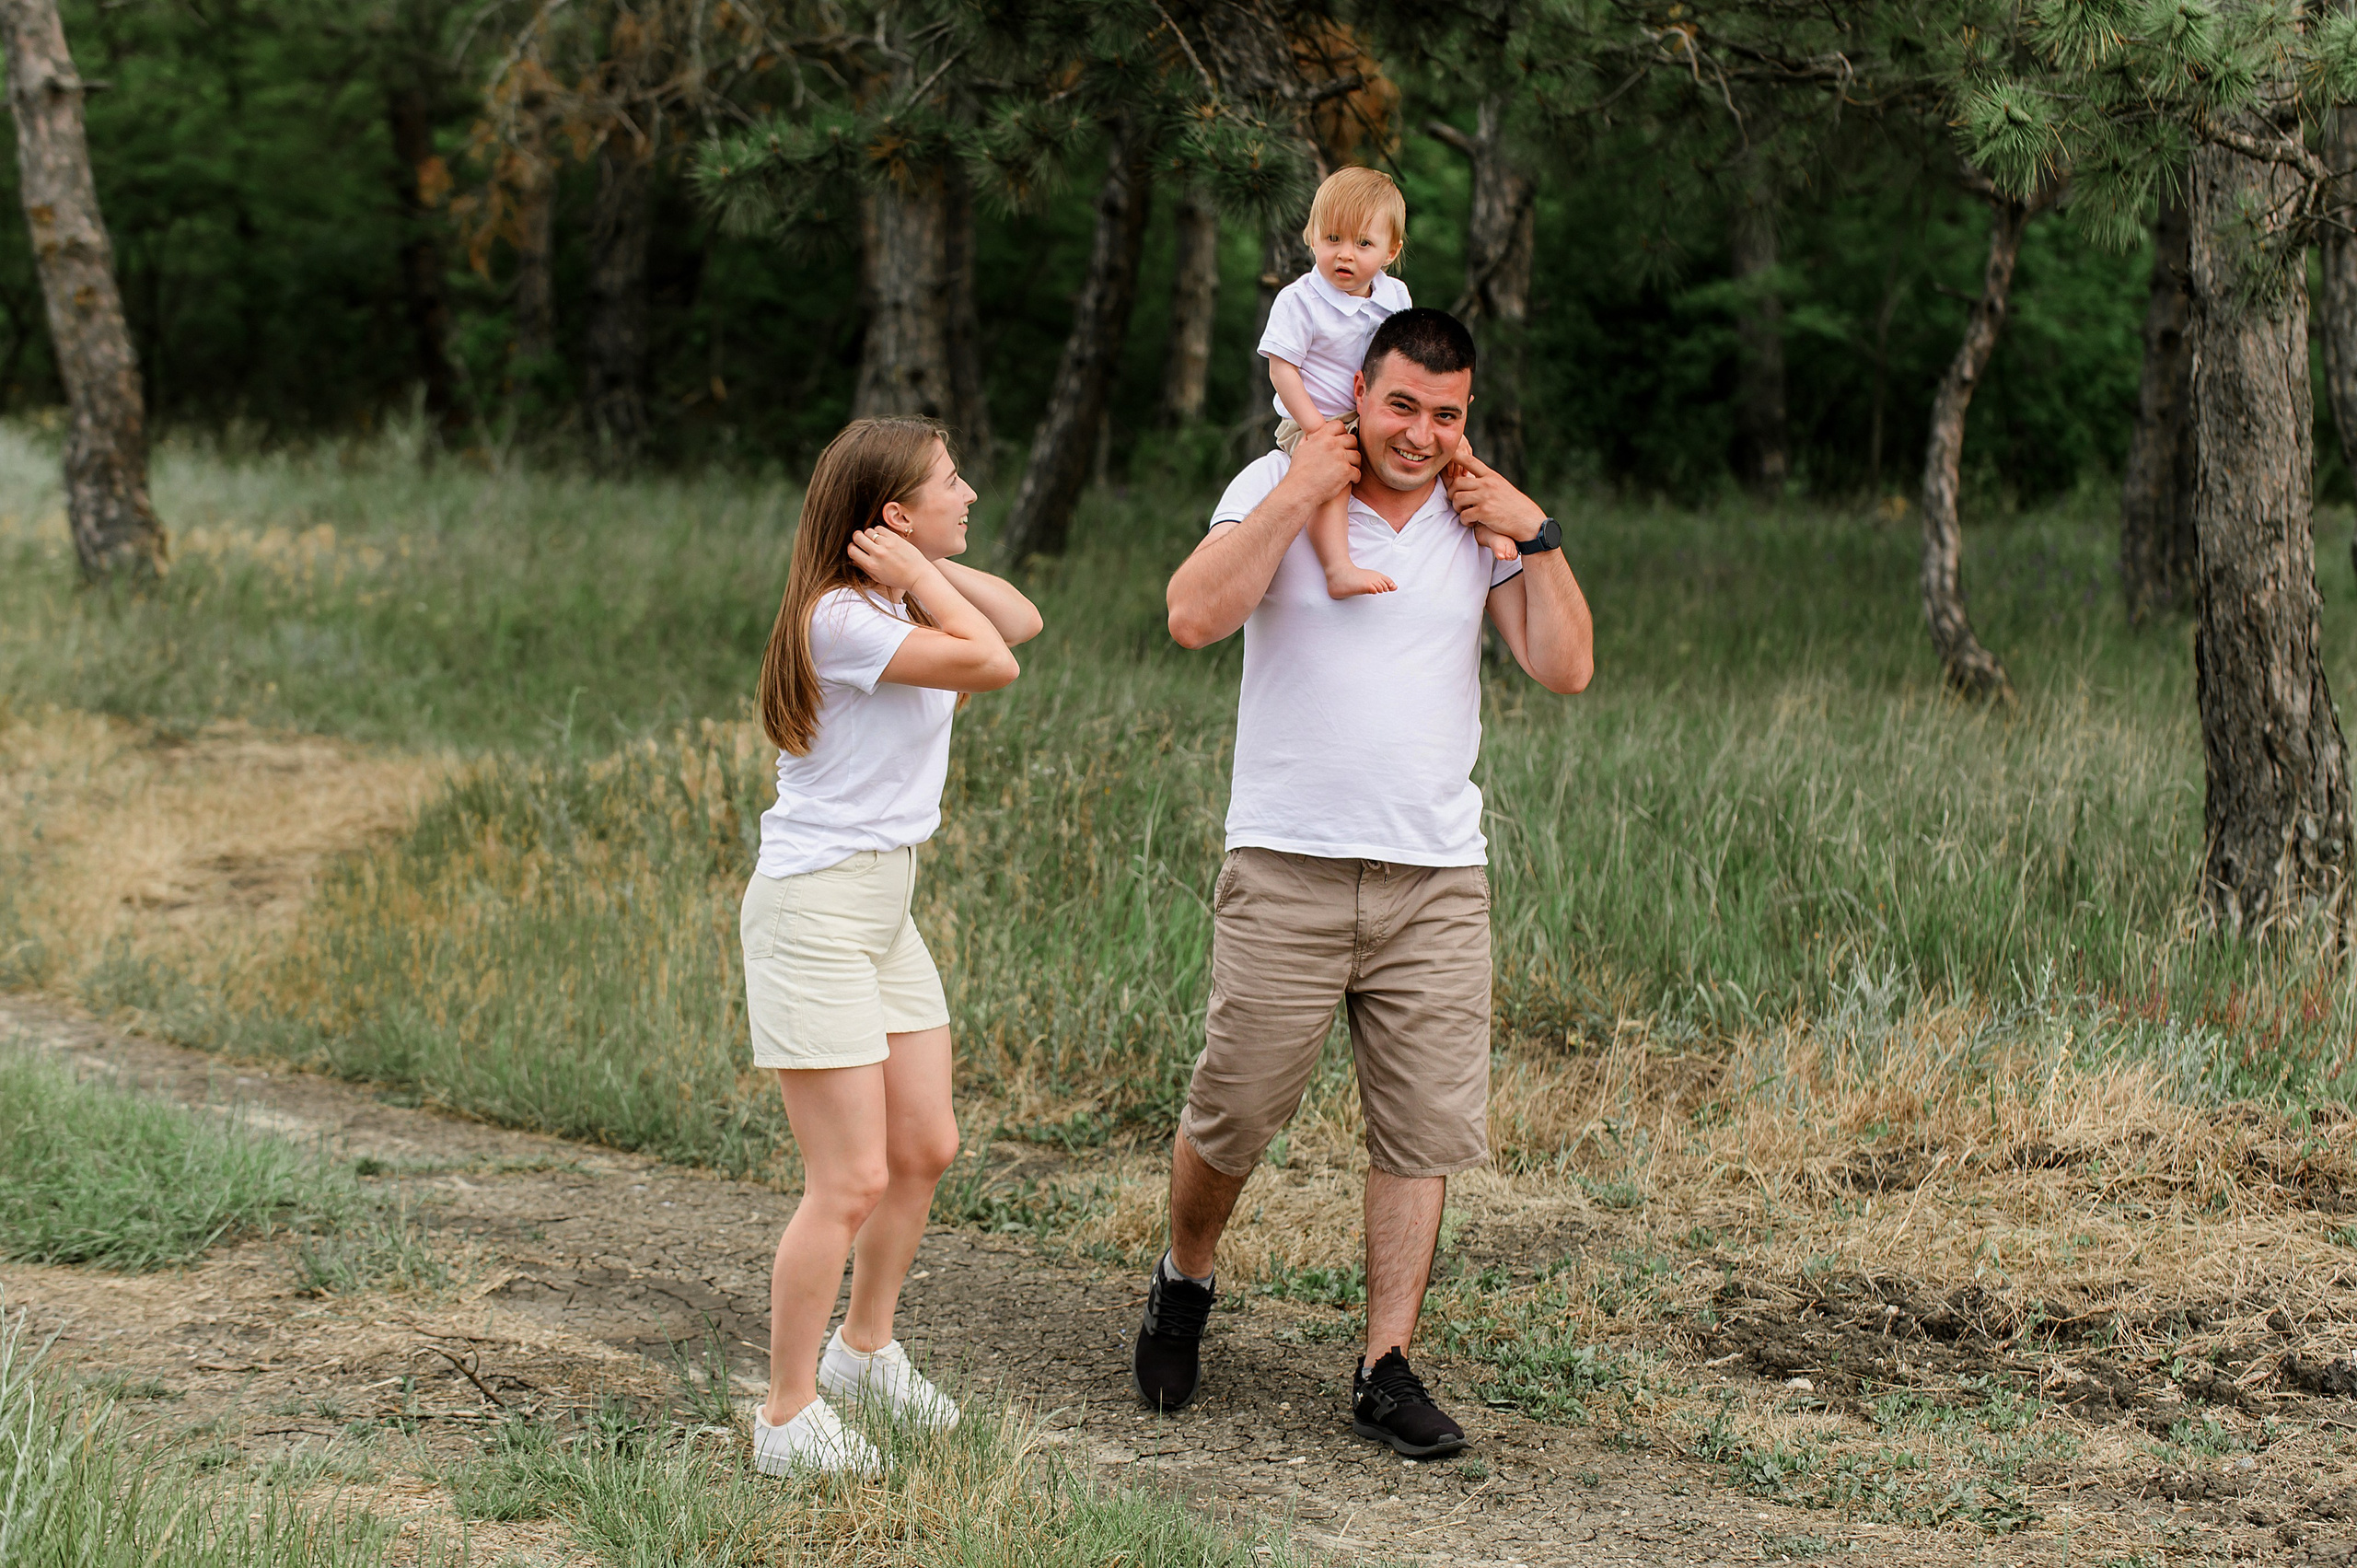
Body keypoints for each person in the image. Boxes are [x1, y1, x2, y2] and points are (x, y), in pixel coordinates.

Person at [1137, 309, 1593, 1458]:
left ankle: (1384, 1365)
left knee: (1420, 1130)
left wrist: (1538, 537)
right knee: (1235, 1105)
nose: (1423, 433)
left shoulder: (1476, 511)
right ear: (1358, 394)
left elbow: (1565, 666)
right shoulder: (1276, 480)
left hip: (1434, 875)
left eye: (1448, 413)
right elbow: (1192, 616)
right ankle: (1184, 1276)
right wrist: (1300, 488)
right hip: (1287, 859)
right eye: (1402, 406)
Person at [740, 417, 1042, 1477]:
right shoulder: (839, 619)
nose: (970, 492)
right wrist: (919, 571)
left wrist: (924, 566)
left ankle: (865, 1352)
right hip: (816, 908)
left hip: (883, 908)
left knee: (924, 1146)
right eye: (949, 482)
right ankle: (786, 1413)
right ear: (893, 513)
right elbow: (994, 660)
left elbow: (1022, 616)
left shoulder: (898, 595)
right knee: (849, 1176)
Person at [1260, 167, 1517, 599]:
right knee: (1335, 474)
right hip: (1315, 416)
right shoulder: (1299, 300)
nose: (1345, 255)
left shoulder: (1394, 296)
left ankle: (1484, 529)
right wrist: (1317, 430)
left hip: (1377, 411)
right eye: (1332, 239)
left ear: (1391, 249)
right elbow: (1281, 369)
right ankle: (1338, 566)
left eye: (1363, 244)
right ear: (1311, 236)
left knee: (1457, 453)